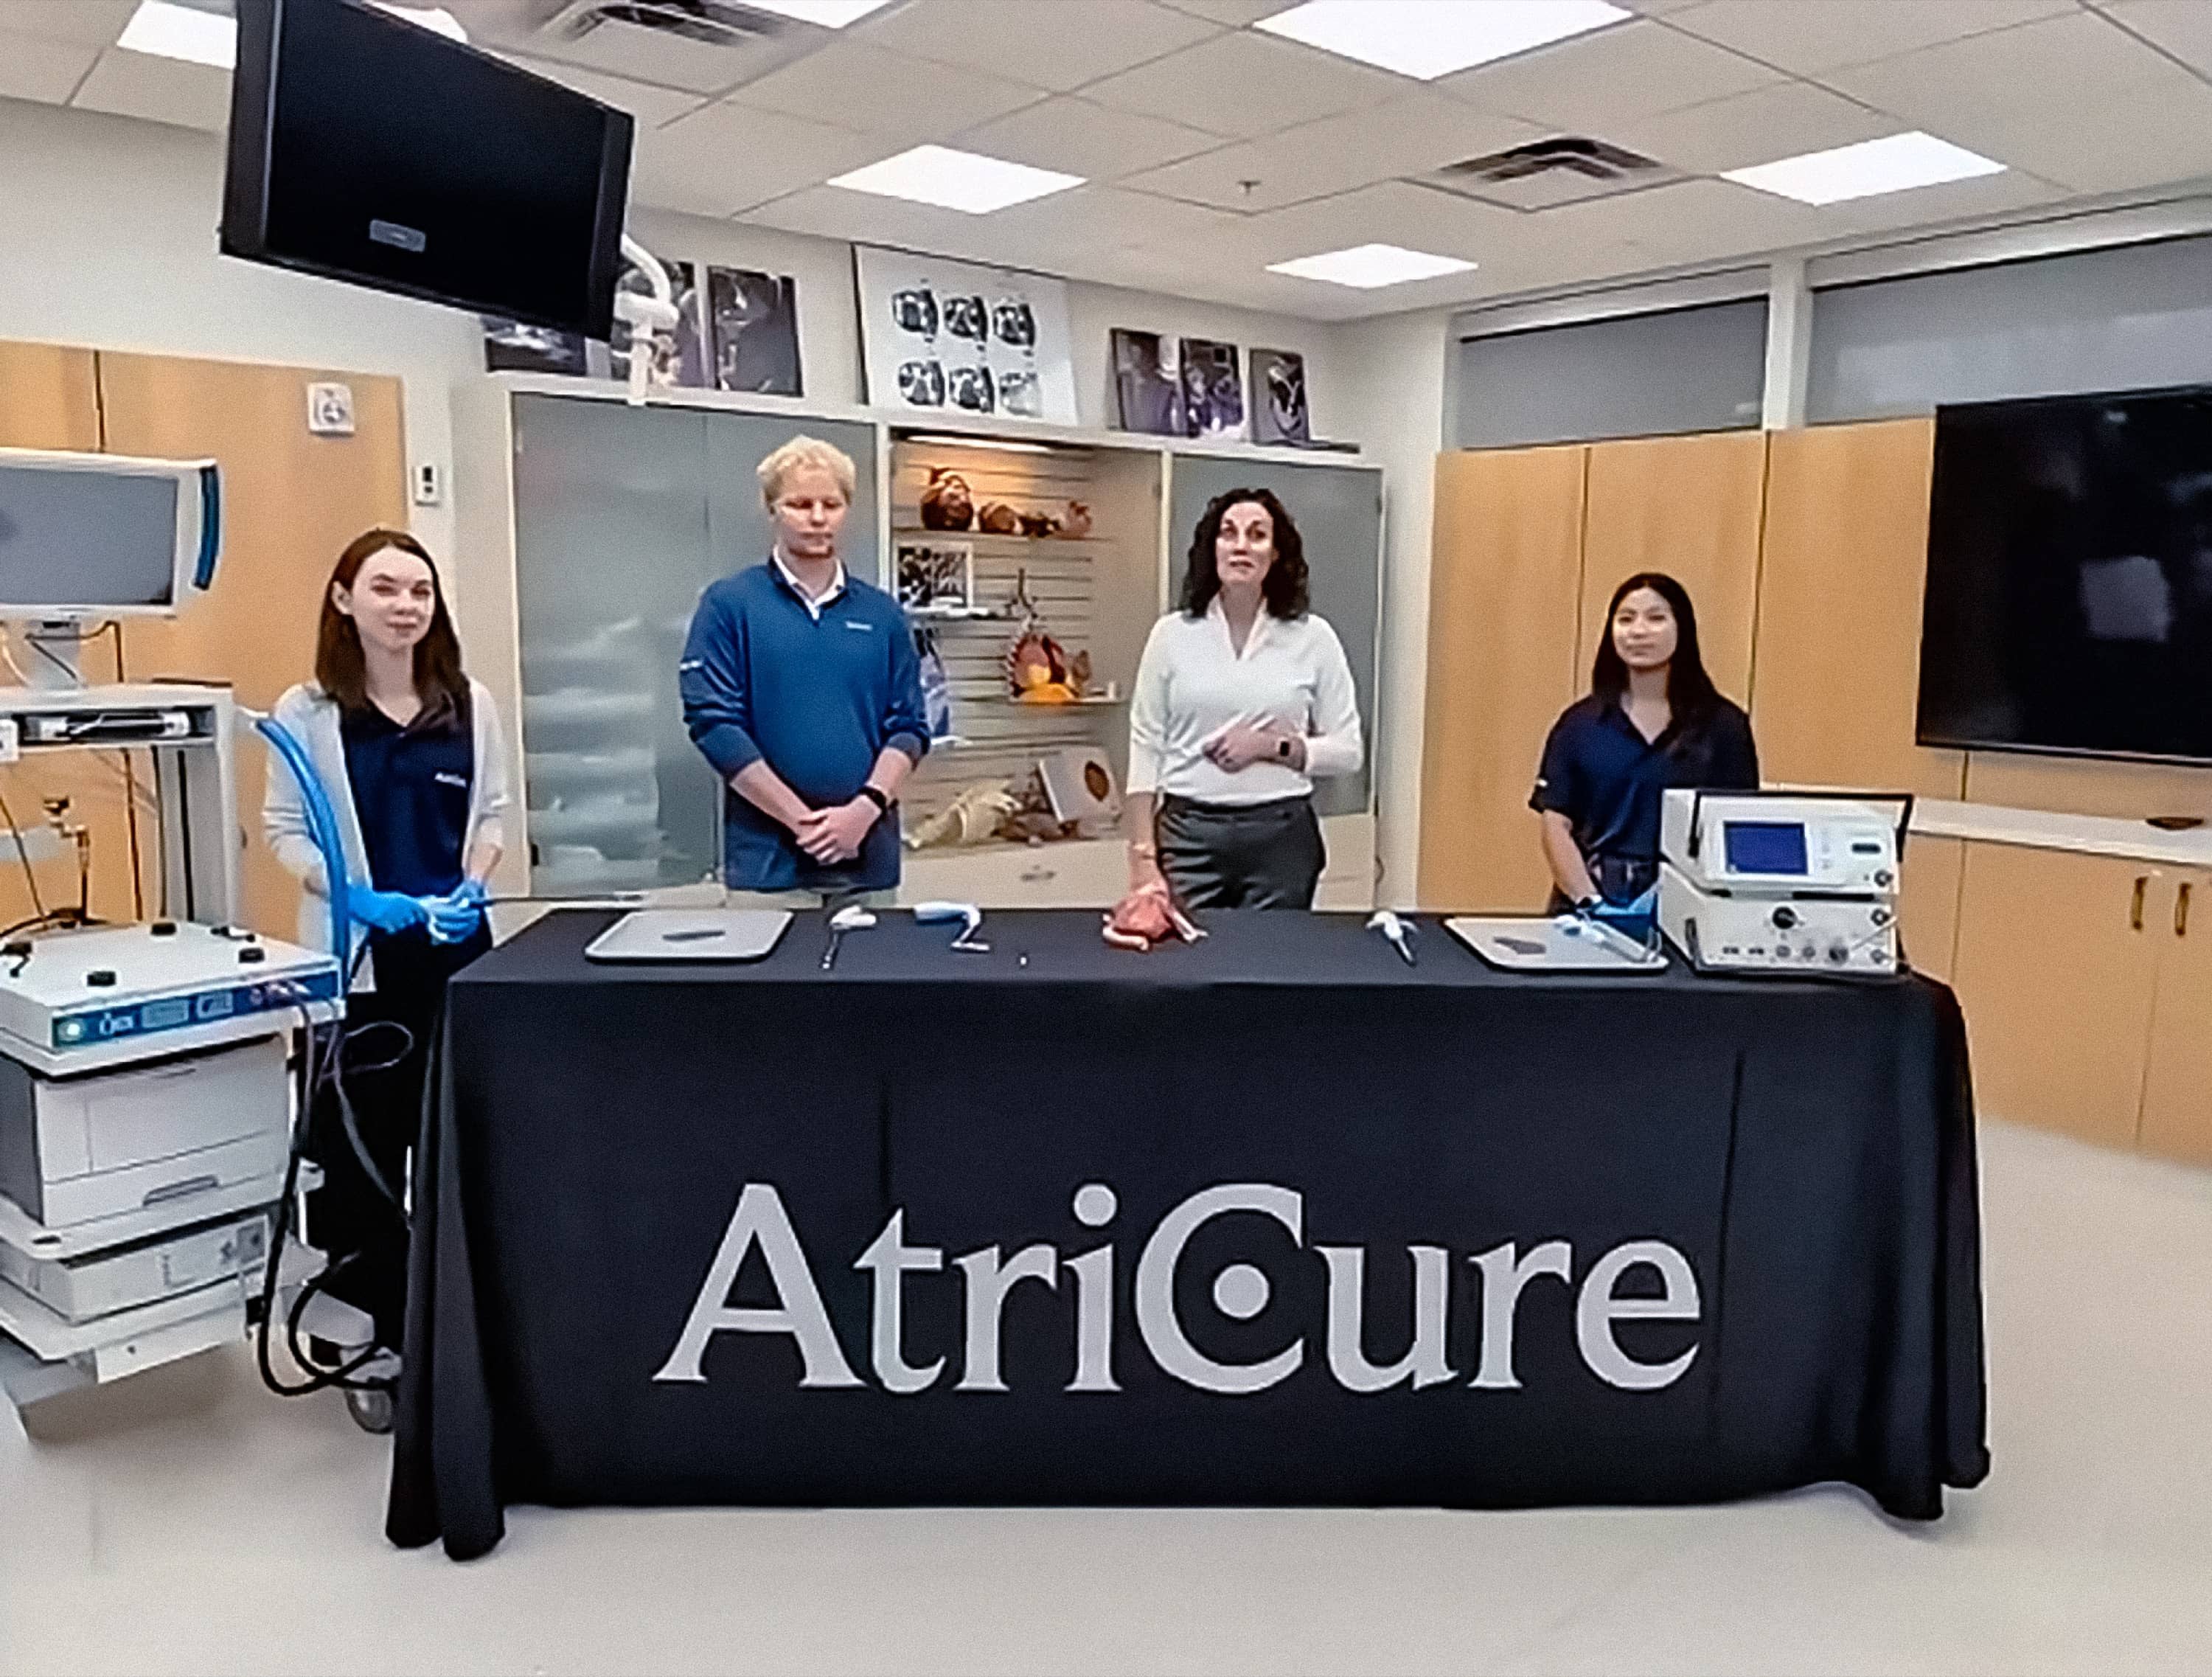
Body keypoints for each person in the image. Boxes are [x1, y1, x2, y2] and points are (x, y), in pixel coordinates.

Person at [264, 528, 509, 1426]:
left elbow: (492, 813)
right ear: (344, 599)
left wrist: (472, 885)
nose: (406, 606)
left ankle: (452, 1332)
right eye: (386, 588)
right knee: (358, 1158)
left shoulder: (468, 702)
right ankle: (367, 1339)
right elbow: (286, 833)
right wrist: (358, 897)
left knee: (452, 1146)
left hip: (455, 957)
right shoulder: (308, 712)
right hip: (362, 966)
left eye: (420, 591)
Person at [681, 435, 928, 901]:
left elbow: (909, 727)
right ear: (771, 509)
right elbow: (714, 726)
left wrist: (862, 812)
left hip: (868, 864)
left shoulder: (883, 615)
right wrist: (804, 824)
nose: (817, 518)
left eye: (831, 504)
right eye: (799, 504)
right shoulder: (729, 605)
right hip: (769, 869)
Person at [1119, 487, 1363, 913]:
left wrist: (1271, 746)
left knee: (1270, 955)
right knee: (1187, 953)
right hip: (1187, 836)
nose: (1241, 546)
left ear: (1276, 554)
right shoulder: (1171, 635)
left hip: (1280, 840)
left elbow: (1348, 752)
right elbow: (1145, 746)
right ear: (1212, 548)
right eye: (1228, 533)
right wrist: (1142, 858)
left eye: (1257, 535)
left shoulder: (1314, 637)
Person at [1533, 571, 1759, 915]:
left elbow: (1734, 827)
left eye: (1656, 618)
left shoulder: (1724, 726)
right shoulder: (1579, 724)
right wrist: (1590, 901)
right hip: (1585, 908)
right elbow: (1556, 824)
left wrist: (1670, 899)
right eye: (1626, 619)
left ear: (1682, 628)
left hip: (1686, 909)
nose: (1638, 631)